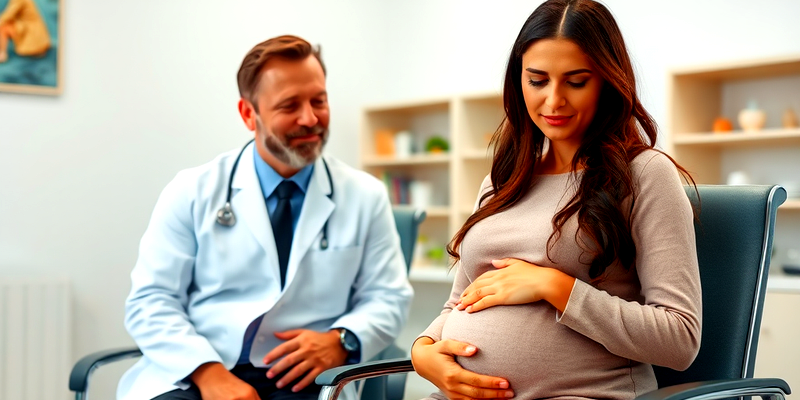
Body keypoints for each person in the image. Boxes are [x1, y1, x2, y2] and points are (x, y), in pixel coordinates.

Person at [410, 1, 702, 399]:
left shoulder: (646, 175)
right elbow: (461, 301)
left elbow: (679, 338)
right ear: (519, 81)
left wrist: (555, 286)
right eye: (537, 80)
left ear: (608, 81)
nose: (553, 102)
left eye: (576, 81)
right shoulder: (502, 182)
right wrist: (422, 352)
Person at [118, 35, 413, 400]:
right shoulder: (192, 190)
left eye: (318, 101)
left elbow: (388, 297)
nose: (310, 118)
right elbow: (151, 300)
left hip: (306, 377)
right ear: (248, 114)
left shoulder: (365, 195)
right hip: (200, 369)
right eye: (290, 105)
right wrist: (211, 377)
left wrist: (342, 340)